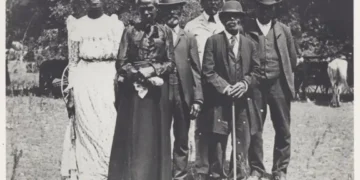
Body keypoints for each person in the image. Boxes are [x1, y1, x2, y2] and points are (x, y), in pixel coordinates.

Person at [107, 0, 175, 179]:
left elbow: (170, 62)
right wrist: (137, 73)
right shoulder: (129, 31)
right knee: (133, 133)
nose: (146, 13)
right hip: (133, 91)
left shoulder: (165, 31)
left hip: (157, 91)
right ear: (138, 10)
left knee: (156, 134)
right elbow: (120, 62)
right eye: (143, 9)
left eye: (150, 9)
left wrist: (153, 70)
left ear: (156, 9)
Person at [60, 0, 125, 179]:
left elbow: (122, 59)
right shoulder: (77, 25)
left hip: (108, 80)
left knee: (108, 126)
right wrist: (71, 90)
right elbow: (72, 62)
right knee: (87, 127)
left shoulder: (115, 24)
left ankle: (108, 172)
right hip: (85, 81)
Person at [201, 1, 263, 179]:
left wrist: (244, 84)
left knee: (241, 141)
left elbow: (257, 71)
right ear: (222, 19)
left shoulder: (249, 44)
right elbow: (208, 71)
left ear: (241, 19)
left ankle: (238, 175)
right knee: (218, 142)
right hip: (219, 102)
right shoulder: (213, 42)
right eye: (228, 16)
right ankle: (216, 175)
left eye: (236, 16)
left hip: (243, 102)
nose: (232, 20)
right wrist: (226, 87)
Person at [244, 0, 298, 180]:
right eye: (263, 7)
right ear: (256, 8)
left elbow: (292, 59)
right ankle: (256, 168)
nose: (267, 11)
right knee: (254, 129)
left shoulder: (284, 30)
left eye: (270, 7)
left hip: (278, 85)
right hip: (255, 86)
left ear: (275, 8)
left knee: (283, 128)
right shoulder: (247, 28)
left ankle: (280, 170)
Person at [157, 0, 203, 179]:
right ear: (163, 12)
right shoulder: (156, 34)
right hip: (161, 92)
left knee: (182, 137)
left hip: (183, 93)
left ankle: (180, 174)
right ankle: (161, 173)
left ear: (181, 12)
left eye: (175, 10)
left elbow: (196, 70)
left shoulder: (189, 37)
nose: (172, 14)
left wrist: (197, 98)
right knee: (161, 135)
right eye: (168, 10)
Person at [184, 0, 225, 67]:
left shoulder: (225, 25)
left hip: (222, 75)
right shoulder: (191, 26)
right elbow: (185, 56)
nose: (213, 2)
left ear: (221, 3)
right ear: (202, 3)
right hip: (200, 74)